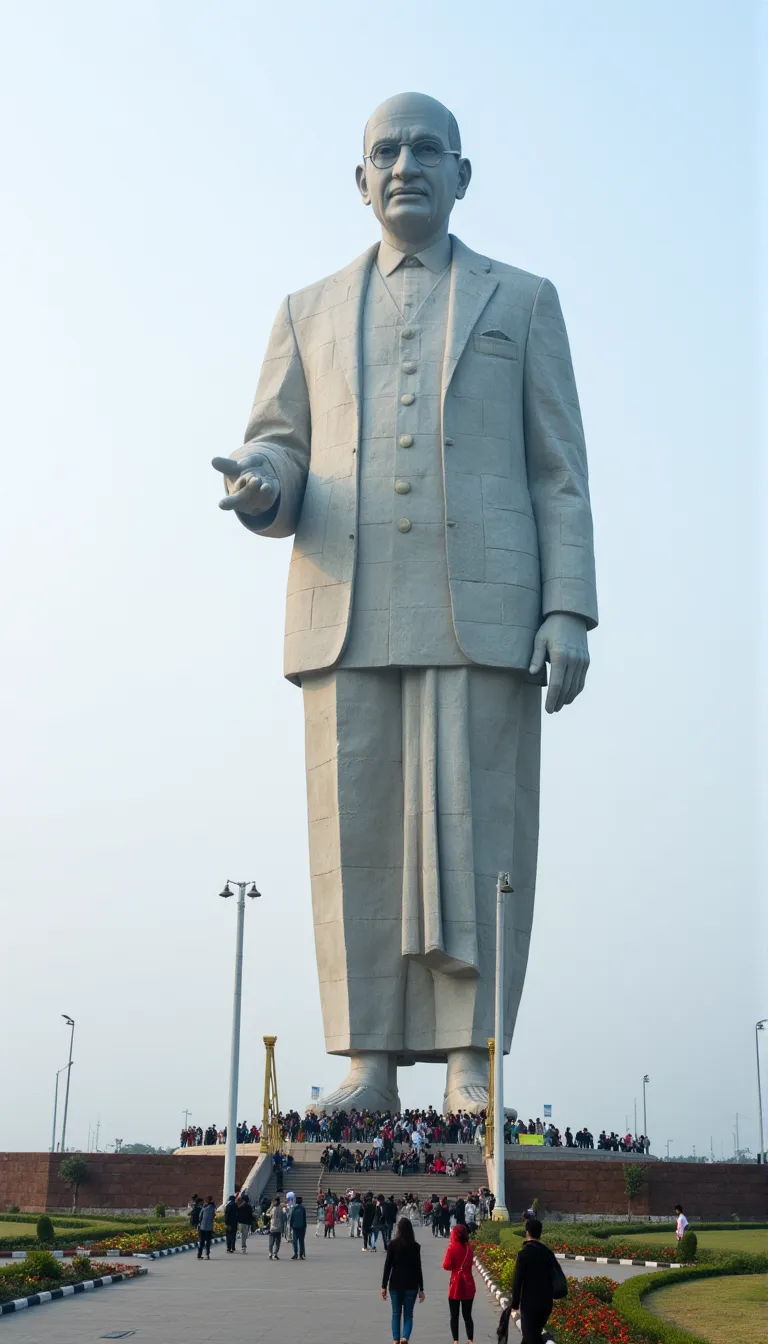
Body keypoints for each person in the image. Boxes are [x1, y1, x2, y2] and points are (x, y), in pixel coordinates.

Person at [212, 90, 597, 1119]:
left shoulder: (523, 301)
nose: (406, 164)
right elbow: (279, 446)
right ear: (360, 178)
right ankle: (368, 1066)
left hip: (488, 613)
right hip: (348, 602)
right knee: (358, 844)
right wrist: (261, 486)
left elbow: (560, 471)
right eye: (386, 150)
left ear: (462, 174)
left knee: (481, 841)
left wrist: (569, 608)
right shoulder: (306, 311)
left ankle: (473, 1062)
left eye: (429, 149)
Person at [510, 1218, 560, 1344]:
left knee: (530, 1337)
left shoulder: (524, 1253)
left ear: (527, 1232)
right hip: (546, 1303)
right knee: (533, 1335)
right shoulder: (548, 1253)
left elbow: (517, 1280)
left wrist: (515, 1304)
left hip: (530, 1304)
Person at [381, 1216, 425, 1343]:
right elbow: (418, 1268)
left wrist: (383, 1286)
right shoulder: (416, 1246)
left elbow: (387, 1267)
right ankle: (405, 1337)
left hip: (395, 1283)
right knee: (408, 1314)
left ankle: (395, 1339)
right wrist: (421, 1288)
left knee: (396, 1313)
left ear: (398, 1229)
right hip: (411, 1284)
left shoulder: (393, 1245)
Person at [442, 1223, 475, 1341]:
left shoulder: (451, 1248)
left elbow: (446, 1265)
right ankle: (470, 1340)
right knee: (467, 1316)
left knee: (454, 1316)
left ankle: (456, 1340)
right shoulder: (469, 1248)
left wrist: (454, 1267)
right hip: (468, 1283)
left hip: (455, 1284)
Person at [196, 1196, 216, 1260]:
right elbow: (213, 1217)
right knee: (208, 1242)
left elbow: (200, 1217)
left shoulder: (204, 1208)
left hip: (202, 1227)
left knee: (201, 1241)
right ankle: (207, 1255)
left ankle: (199, 1255)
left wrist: (201, 1223)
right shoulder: (213, 1208)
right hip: (209, 1228)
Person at [290, 1194, 307, 1259]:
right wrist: (305, 1226)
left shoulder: (294, 1208)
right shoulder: (302, 1208)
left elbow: (291, 1217)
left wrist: (291, 1225)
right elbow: (304, 1218)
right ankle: (301, 1254)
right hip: (301, 1227)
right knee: (301, 1241)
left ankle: (296, 1253)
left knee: (295, 1241)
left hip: (295, 1227)